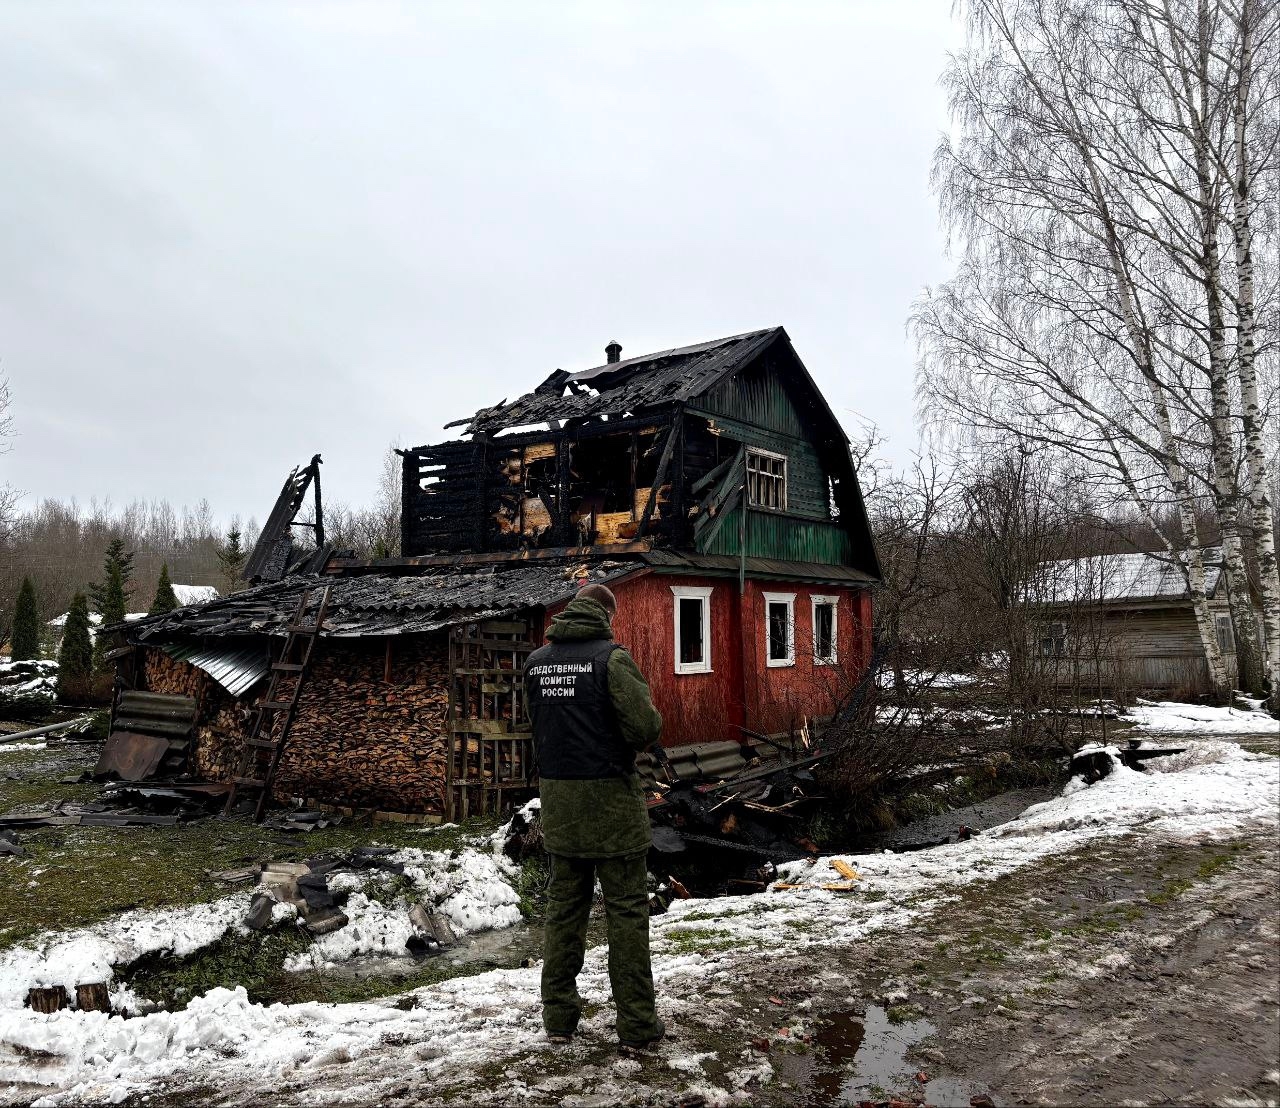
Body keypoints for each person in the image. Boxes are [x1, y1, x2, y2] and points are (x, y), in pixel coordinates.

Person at [525, 582, 666, 1054]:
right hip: (611, 804)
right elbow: (644, 729)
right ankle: (637, 1026)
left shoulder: (535, 664)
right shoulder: (612, 659)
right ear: (607, 615)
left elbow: (540, 730)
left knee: (564, 911)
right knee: (627, 911)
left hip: (560, 805)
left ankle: (559, 1019)